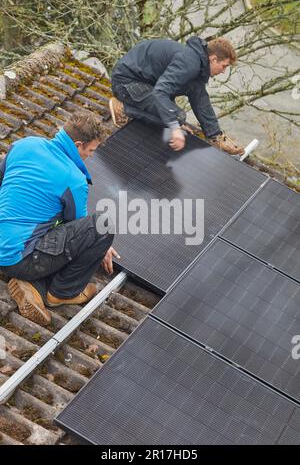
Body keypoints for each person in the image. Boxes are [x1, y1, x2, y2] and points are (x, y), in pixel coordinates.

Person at [0, 111, 119, 327]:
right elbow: (75, 229)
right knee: (102, 225)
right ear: (78, 144)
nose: (91, 155)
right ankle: (61, 292)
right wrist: (102, 246)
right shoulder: (74, 180)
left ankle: (32, 287)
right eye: (91, 150)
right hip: (18, 259)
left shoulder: (25, 145)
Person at [109, 37, 243, 154]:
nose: (223, 71)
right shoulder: (189, 63)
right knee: (177, 116)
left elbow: (200, 99)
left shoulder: (196, 63)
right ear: (213, 59)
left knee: (177, 114)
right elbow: (161, 92)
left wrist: (216, 136)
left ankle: (213, 136)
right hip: (126, 84)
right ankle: (123, 108)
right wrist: (174, 125)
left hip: (144, 84)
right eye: (224, 66)